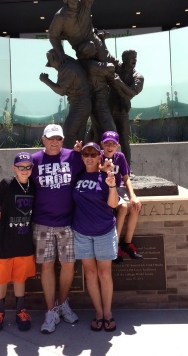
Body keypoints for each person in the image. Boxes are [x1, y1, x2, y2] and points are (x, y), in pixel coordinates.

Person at [30, 123, 84, 333]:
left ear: (63, 140)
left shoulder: (73, 157)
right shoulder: (34, 161)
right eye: (50, 138)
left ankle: (63, 304)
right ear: (43, 139)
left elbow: (92, 168)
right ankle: (50, 310)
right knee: (46, 266)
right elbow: (21, 185)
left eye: (58, 139)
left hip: (68, 223)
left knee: (69, 265)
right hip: (42, 223)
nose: (55, 142)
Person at [0, 152, 36, 332]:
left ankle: (20, 311)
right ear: (14, 168)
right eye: (21, 167)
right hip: (4, 241)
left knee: (20, 279)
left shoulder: (33, 186)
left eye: (28, 167)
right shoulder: (7, 184)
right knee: (1, 279)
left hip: (23, 242)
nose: (25, 170)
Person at [72, 142, 118, 332]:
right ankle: (98, 313)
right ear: (82, 157)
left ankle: (108, 314)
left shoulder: (105, 176)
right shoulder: (77, 176)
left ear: (100, 156)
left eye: (93, 154)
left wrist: (113, 185)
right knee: (90, 274)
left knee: (104, 273)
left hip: (104, 231)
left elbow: (113, 204)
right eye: (86, 154)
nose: (89, 157)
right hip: (82, 232)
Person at [100, 131, 142, 264]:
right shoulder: (98, 156)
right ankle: (115, 245)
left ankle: (127, 243)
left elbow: (126, 177)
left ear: (117, 145)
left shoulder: (120, 156)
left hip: (119, 188)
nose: (110, 147)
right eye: (107, 143)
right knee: (123, 207)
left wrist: (133, 196)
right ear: (102, 144)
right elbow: (97, 168)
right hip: (106, 188)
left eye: (113, 144)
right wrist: (104, 169)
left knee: (135, 207)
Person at [39, 49, 92, 149]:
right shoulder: (70, 65)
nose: (53, 67)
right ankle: (80, 160)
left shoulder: (66, 68)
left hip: (80, 103)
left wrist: (46, 80)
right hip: (82, 103)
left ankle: (68, 159)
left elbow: (61, 91)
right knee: (78, 136)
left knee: (68, 133)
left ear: (54, 59)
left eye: (51, 63)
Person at [110, 49, 144, 169]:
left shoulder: (138, 77)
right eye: (132, 57)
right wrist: (102, 41)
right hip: (107, 109)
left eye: (135, 57)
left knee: (124, 141)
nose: (134, 59)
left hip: (122, 111)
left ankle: (126, 169)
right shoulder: (117, 67)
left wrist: (119, 83)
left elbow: (132, 91)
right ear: (124, 59)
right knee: (104, 137)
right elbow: (106, 55)